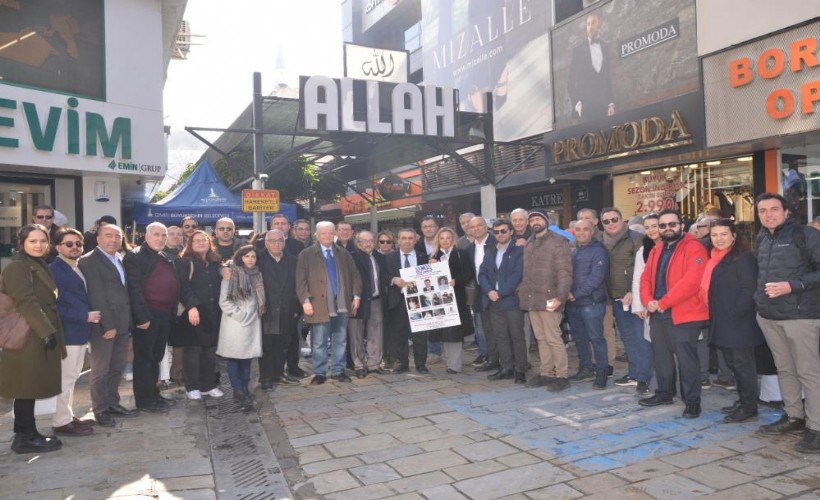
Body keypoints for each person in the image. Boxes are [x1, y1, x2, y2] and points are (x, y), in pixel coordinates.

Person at [754, 193, 820, 453]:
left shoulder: (805, 235)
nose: (768, 214)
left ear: (786, 212)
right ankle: (794, 416)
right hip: (769, 316)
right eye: (762, 210)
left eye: (774, 209)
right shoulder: (762, 238)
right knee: (785, 369)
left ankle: (816, 428)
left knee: (808, 372)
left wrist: (793, 286)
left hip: (801, 317)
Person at [0, 224, 66, 453]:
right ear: (22, 243)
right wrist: (46, 331)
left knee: (29, 387)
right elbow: (26, 301)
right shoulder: (18, 267)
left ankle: (28, 433)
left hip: (36, 331)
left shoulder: (37, 264)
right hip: (27, 334)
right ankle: (24, 437)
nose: (39, 245)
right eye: (32, 241)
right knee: (25, 387)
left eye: (43, 241)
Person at [639, 209, 709, 419]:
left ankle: (692, 401)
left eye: (672, 224)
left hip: (684, 314)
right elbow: (645, 279)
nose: (667, 228)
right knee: (661, 358)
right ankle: (664, 393)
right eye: (663, 225)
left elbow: (692, 282)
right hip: (658, 313)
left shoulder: (694, 247)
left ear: (682, 225)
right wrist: (647, 300)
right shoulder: (657, 249)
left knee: (687, 360)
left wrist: (663, 302)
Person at [701, 219, 764, 423]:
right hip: (722, 320)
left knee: (742, 366)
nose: (719, 239)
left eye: (724, 234)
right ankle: (744, 400)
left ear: (734, 236)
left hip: (739, 323)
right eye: (714, 235)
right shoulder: (715, 259)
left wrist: (735, 313)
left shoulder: (743, 258)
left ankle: (749, 407)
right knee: (734, 365)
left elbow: (749, 289)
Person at [78, 224, 137, 427]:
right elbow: (96, 295)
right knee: (100, 371)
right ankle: (100, 409)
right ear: (98, 238)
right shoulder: (89, 261)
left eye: (117, 236)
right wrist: (107, 325)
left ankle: (113, 403)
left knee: (116, 368)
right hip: (105, 326)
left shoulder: (118, 257)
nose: (113, 240)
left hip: (122, 324)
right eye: (108, 236)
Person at [123, 222, 183, 413]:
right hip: (147, 315)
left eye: (163, 235)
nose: (160, 238)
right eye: (156, 234)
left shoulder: (164, 256)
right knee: (144, 358)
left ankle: (153, 394)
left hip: (164, 315)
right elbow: (133, 288)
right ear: (147, 236)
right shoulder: (136, 256)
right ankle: (145, 400)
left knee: (156, 356)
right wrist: (141, 317)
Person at [296, 221, 362, 384]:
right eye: (323, 233)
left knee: (340, 339)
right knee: (319, 341)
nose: (327, 236)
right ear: (316, 235)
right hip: (318, 304)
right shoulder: (306, 254)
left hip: (342, 304)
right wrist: (305, 301)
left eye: (330, 233)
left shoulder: (344, 253)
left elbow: (355, 276)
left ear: (335, 234)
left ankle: (338, 370)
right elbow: (300, 281)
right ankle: (320, 372)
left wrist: (356, 296)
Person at [49, 228, 98, 437]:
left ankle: (66, 417)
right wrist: (83, 316)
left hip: (79, 333)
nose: (74, 247)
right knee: (66, 379)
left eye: (78, 243)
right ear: (58, 247)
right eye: (69, 244)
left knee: (71, 378)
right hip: (68, 332)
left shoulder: (77, 267)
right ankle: (61, 421)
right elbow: (53, 306)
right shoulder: (54, 269)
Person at [518, 209, 573, 392]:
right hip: (532, 298)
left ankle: (562, 375)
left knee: (553, 338)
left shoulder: (558, 242)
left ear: (546, 221)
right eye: (532, 219)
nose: (535, 222)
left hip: (551, 298)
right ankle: (546, 372)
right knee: (541, 338)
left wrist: (560, 297)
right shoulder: (529, 243)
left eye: (538, 218)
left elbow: (565, 272)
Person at [601, 207, 651, 392]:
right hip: (615, 298)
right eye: (606, 221)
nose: (611, 224)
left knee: (641, 338)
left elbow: (643, 270)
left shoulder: (636, 239)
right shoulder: (600, 240)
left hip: (634, 297)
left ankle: (644, 377)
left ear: (622, 220)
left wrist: (633, 291)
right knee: (628, 338)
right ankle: (635, 373)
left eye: (614, 219)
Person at [178, 230, 225, 400]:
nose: (201, 242)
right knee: (193, 351)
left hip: (213, 313)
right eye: (196, 240)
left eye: (204, 239)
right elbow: (183, 287)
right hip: (194, 312)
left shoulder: (215, 262)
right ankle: (192, 387)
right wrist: (191, 306)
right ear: (190, 243)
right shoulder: (185, 262)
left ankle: (208, 385)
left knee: (209, 352)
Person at [478, 219, 526, 383]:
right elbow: (482, 273)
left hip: (511, 300)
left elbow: (517, 275)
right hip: (493, 301)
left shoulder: (519, 250)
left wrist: (500, 292)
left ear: (511, 232)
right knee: (501, 336)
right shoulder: (490, 250)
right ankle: (506, 367)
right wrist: (489, 291)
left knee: (517, 336)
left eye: (503, 231)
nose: (500, 234)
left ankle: (520, 370)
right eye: (496, 232)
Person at [217, 245, 265, 407]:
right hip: (236, 324)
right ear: (240, 257)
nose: (250, 259)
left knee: (247, 359)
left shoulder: (257, 274)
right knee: (235, 359)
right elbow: (224, 301)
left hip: (252, 323)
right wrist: (242, 316)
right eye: (247, 256)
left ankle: (244, 387)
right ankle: (237, 390)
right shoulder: (231, 274)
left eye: (253, 256)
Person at [566, 219, 610, 389]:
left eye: (586, 229)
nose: (582, 232)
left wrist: (575, 294)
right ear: (574, 231)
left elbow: (596, 279)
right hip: (573, 304)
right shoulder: (573, 250)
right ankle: (586, 368)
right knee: (579, 339)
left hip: (590, 303)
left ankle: (602, 373)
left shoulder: (599, 251)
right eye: (578, 229)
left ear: (592, 232)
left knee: (597, 339)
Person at [257, 230, 301, 389]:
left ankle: (278, 374)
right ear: (266, 242)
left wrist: (297, 307)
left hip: (288, 309)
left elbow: (299, 285)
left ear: (284, 242)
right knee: (266, 346)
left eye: (279, 240)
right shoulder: (258, 259)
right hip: (266, 310)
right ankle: (266, 378)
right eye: (272, 240)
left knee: (283, 345)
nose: (276, 244)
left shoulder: (293, 260)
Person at [383, 228, 430, 373]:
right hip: (399, 299)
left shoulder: (423, 257)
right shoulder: (389, 257)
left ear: (415, 240)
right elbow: (383, 276)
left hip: (419, 300)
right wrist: (393, 279)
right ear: (398, 240)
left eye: (410, 238)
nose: (407, 241)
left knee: (420, 334)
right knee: (400, 333)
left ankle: (421, 364)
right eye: (404, 238)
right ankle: (402, 363)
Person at [429, 227, 475, 374]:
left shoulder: (461, 254)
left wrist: (457, 281)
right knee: (445, 332)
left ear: (453, 239)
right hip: (440, 300)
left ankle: (454, 365)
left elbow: (469, 274)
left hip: (457, 298)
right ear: (438, 240)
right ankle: (451, 362)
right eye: (442, 238)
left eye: (448, 237)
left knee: (455, 332)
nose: (445, 241)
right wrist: (430, 267)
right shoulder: (433, 256)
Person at [348, 230, 387, 378]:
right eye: (365, 241)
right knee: (356, 333)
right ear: (358, 243)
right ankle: (358, 365)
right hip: (357, 301)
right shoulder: (352, 257)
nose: (369, 244)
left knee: (376, 333)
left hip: (376, 300)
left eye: (371, 240)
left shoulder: (379, 257)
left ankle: (373, 364)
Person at [630, 212, 661, 395]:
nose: (651, 230)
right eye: (647, 227)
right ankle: (648, 378)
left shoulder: (673, 247)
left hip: (668, 304)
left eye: (654, 226)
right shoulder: (644, 249)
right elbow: (638, 279)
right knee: (648, 343)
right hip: (648, 304)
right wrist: (639, 306)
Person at [567, 12, 615, 120]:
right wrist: (577, 104)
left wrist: (610, 103)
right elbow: (571, 81)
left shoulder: (605, 47)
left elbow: (607, 78)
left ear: (599, 25)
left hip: (603, 107)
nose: (590, 27)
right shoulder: (578, 50)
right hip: (585, 108)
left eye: (593, 23)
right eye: (588, 24)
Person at [467, 216, 497, 372]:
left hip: (496, 291)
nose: (476, 229)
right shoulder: (469, 248)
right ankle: (487, 356)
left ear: (486, 226)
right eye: (473, 227)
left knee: (498, 327)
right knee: (481, 327)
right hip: (479, 292)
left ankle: (500, 358)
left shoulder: (496, 242)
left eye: (479, 225)